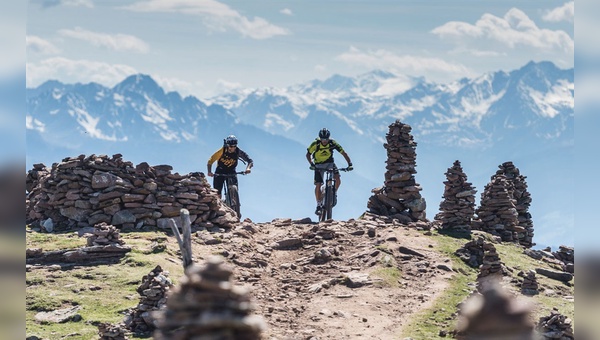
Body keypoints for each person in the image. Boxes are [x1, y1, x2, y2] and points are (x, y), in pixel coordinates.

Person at [306, 128, 353, 215]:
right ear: (320, 138)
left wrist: (349, 164)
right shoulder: (315, 144)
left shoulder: (332, 143)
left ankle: (333, 193)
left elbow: (343, 153)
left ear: (328, 138)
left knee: (337, 179)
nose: (324, 141)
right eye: (322, 139)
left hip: (330, 163)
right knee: (318, 184)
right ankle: (318, 205)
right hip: (318, 165)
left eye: (326, 139)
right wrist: (312, 164)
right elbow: (308, 154)